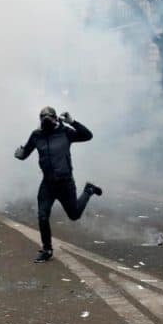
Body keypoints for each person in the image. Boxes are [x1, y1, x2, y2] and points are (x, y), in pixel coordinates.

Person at [14, 106, 102, 263]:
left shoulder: (65, 132)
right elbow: (25, 154)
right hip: (47, 184)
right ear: (40, 120)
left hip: (65, 183)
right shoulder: (36, 135)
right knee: (42, 216)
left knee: (74, 215)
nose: (46, 120)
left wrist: (73, 122)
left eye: (49, 117)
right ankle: (47, 249)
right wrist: (19, 153)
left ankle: (88, 190)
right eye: (42, 117)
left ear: (56, 118)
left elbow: (88, 136)